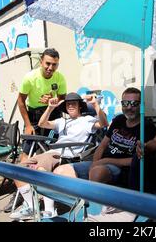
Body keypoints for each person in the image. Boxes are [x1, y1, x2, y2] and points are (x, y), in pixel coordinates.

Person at [53, 87, 156, 221]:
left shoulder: (146, 127)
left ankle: (95, 214)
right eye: (125, 103)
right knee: (61, 170)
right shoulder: (119, 120)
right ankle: (80, 206)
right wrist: (96, 162)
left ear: (141, 105)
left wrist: (104, 162)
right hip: (102, 164)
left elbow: (137, 160)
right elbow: (102, 145)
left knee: (97, 172)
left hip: (123, 170)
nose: (129, 107)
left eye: (134, 104)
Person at [10, 92, 108, 221]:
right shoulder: (62, 121)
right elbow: (42, 124)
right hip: (52, 152)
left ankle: (50, 210)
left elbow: (104, 123)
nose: (70, 106)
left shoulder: (87, 120)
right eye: (68, 104)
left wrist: (95, 105)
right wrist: (50, 108)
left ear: (80, 106)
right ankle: (31, 206)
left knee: (40, 171)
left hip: (64, 154)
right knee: (18, 169)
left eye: (74, 103)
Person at [5, 48, 67, 212]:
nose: (50, 68)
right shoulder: (30, 77)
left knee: (51, 149)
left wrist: (54, 101)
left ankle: (51, 193)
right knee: (26, 155)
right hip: (33, 116)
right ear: (41, 62)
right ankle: (20, 194)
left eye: (54, 65)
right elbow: (20, 101)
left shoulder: (60, 77)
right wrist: (27, 124)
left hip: (52, 116)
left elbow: (63, 98)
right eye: (48, 63)